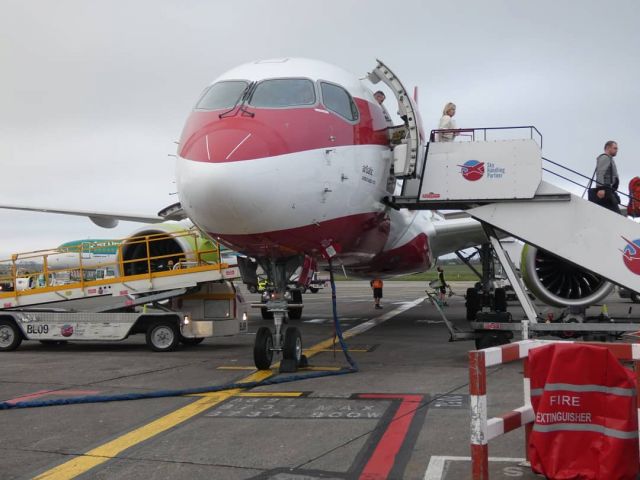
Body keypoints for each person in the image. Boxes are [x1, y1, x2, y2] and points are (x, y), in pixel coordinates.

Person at [590, 140, 621, 214]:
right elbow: (600, 173)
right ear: (608, 148)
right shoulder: (605, 157)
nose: (617, 150)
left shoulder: (610, 159)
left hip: (609, 190)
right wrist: (600, 188)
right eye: (615, 148)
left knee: (613, 213)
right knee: (616, 214)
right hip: (605, 190)